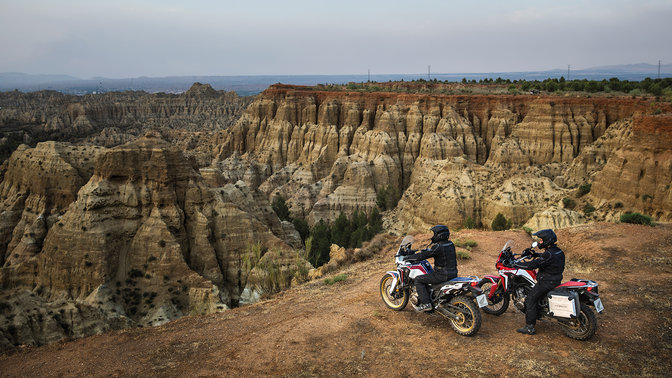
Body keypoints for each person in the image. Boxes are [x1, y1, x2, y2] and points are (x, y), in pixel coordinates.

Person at [510, 229, 565, 335]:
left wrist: (515, 264)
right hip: (556, 279)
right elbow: (546, 258)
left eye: (541, 240)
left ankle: (529, 327)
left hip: (547, 282)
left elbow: (531, 265)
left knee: (530, 299)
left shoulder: (548, 254)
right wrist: (536, 255)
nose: (540, 242)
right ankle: (539, 312)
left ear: (547, 240)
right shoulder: (557, 251)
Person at [404, 225, 458, 312]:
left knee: (418, 279)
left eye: (434, 234)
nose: (433, 236)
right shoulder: (450, 244)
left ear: (439, 235)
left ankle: (426, 304)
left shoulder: (438, 247)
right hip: (453, 273)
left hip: (442, 275)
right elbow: (430, 252)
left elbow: (424, 255)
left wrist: (409, 257)